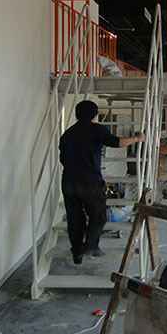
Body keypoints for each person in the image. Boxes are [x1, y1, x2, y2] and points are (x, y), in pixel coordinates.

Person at [59, 100, 144, 265]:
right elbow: (117, 142)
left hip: (68, 181)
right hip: (89, 182)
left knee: (75, 219)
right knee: (98, 215)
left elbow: (62, 159)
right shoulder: (96, 129)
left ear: (77, 114)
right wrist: (137, 138)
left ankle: (77, 252)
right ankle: (91, 246)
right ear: (94, 114)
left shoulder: (67, 134)